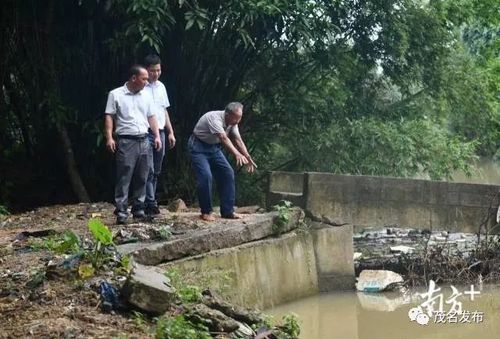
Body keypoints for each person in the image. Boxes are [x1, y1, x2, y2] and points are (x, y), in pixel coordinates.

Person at [104, 65, 162, 224]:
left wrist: (156, 136)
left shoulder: (146, 96)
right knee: (125, 175)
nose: (147, 81)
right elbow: (109, 116)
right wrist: (109, 137)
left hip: (144, 138)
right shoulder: (115, 94)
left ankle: (139, 208)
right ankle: (121, 211)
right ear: (133, 78)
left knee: (143, 175)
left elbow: (152, 117)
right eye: (144, 78)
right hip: (126, 139)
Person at [189, 102, 255, 221]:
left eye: (240, 118)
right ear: (227, 114)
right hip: (198, 147)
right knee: (205, 176)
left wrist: (247, 156)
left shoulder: (233, 122)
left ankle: (228, 211)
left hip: (214, 148)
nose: (238, 121)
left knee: (227, 173)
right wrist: (237, 154)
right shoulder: (214, 118)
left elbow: (238, 140)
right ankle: (206, 211)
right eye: (236, 118)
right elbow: (223, 138)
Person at [143, 54, 176, 216]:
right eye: (152, 70)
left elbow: (164, 110)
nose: (155, 74)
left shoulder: (161, 87)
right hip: (145, 132)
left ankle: (149, 200)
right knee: (147, 168)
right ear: (146, 70)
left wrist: (170, 132)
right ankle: (150, 202)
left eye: (158, 70)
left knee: (156, 169)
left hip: (161, 132)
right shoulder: (141, 87)